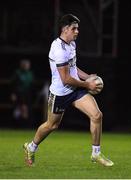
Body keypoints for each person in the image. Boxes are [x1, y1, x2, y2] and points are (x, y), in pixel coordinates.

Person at [23, 14, 114, 167]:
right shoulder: (58, 48)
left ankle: (96, 154)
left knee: (97, 115)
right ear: (65, 29)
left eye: (78, 28)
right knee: (52, 126)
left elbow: (73, 68)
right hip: (59, 94)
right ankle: (31, 147)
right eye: (74, 28)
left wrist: (88, 77)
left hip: (75, 90)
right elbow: (65, 79)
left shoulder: (71, 44)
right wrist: (88, 85)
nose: (77, 31)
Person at [11, 59, 34, 127]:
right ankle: (16, 125)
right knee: (19, 109)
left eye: (28, 65)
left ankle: (26, 125)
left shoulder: (30, 73)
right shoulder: (17, 73)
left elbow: (32, 84)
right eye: (26, 65)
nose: (27, 66)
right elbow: (12, 84)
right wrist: (13, 93)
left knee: (26, 109)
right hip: (19, 94)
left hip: (28, 94)